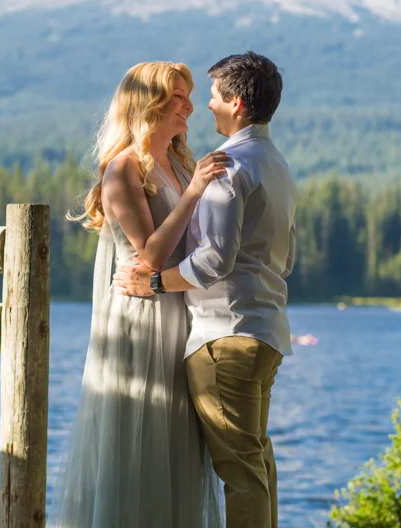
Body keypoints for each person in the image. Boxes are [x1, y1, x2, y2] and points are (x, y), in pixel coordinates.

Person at [116, 51, 296, 528]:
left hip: (225, 334)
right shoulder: (276, 164)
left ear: (236, 103)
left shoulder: (226, 166)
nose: (205, 107)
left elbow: (215, 260)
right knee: (256, 459)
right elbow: (288, 256)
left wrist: (155, 282)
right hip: (267, 331)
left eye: (213, 96)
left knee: (240, 471)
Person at [55, 61, 227, 528]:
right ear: (146, 103)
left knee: (174, 440)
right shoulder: (122, 169)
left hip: (179, 313)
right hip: (140, 318)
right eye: (177, 95)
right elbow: (148, 255)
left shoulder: (179, 163)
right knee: (140, 437)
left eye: (188, 94)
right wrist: (193, 193)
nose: (189, 104)